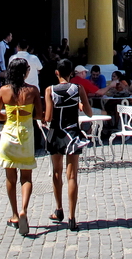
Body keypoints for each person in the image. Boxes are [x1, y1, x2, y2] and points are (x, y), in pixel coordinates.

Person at [0, 56, 42, 237]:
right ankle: (24, 210)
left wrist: (9, 116)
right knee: (26, 177)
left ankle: (14, 214)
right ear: (25, 72)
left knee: (10, 177)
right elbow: (39, 114)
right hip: (26, 134)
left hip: (8, 135)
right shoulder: (32, 90)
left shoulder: (4, 90)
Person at [44, 59, 91, 232]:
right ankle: (72, 217)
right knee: (72, 176)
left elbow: (48, 117)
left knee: (57, 173)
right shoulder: (78, 89)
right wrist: (78, 104)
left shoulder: (50, 90)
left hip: (56, 133)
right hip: (73, 134)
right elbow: (89, 112)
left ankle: (59, 210)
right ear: (71, 73)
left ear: (57, 73)